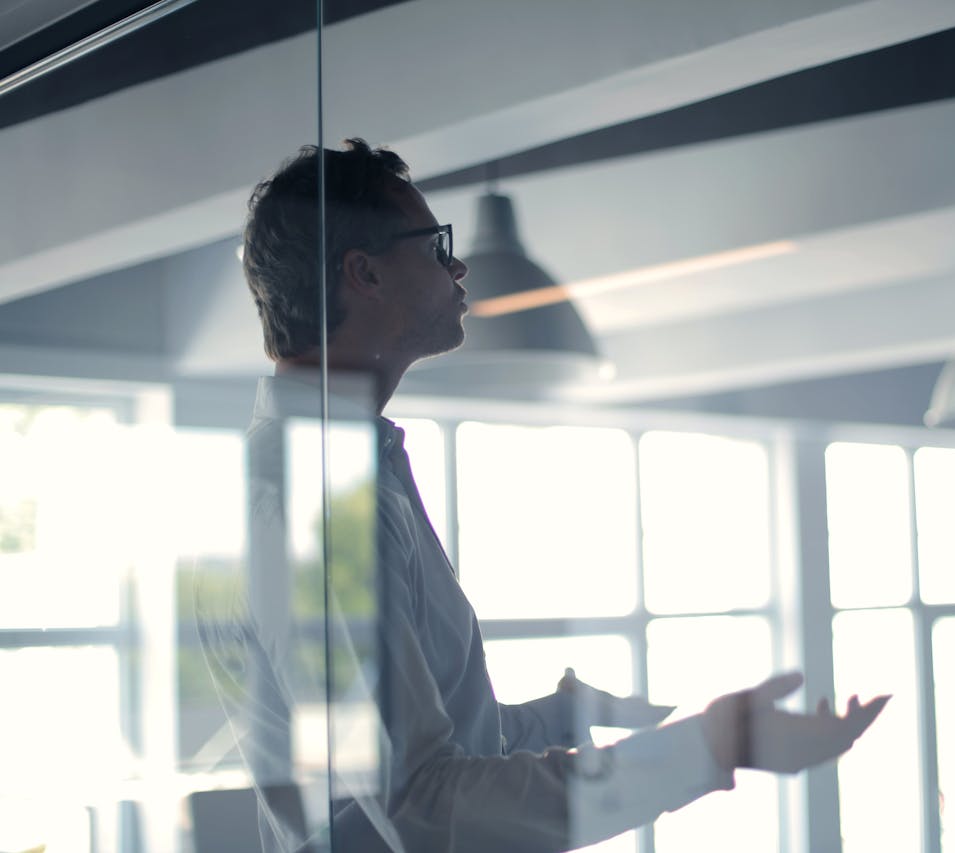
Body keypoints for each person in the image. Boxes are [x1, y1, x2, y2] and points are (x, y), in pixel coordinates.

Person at [231, 137, 889, 852]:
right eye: (433, 245)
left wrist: (561, 715)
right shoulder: (313, 500)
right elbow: (421, 805)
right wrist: (711, 746)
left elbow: (415, 755)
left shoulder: (343, 472)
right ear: (364, 274)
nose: (457, 266)